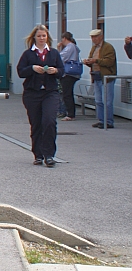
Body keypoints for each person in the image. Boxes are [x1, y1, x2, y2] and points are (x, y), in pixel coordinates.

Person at [16, 24, 64, 167]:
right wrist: (32, 68)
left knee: (49, 121)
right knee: (36, 124)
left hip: (50, 92)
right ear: (34, 38)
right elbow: (20, 72)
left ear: (47, 37)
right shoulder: (28, 54)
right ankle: (38, 154)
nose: (42, 38)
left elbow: (62, 71)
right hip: (32, 93)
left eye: (44, 36)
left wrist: (55, 71)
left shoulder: (54, 53)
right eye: (39, 36)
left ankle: (49, 155)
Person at [82, 29, 116, 129]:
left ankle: (109, 121)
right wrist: (88, 62)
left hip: (106, 77)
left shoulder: (108, 47)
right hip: (96, 76)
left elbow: (109, 62)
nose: (93, 39)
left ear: (101, 37)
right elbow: (93, 62)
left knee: (107, 101)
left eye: (95, 37)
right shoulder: (94, 48)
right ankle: (101, 120)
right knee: (98, 100)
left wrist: (95, 60)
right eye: (92, 37)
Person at [57, 32, 81, 121]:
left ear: (64, 38)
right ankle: (70, 113)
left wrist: (58, 49)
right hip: (71, 73)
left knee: (67, 94)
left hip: (68, 73)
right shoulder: (73, 46)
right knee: (67, 93)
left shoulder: (70, 47)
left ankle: (70, 114)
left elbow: (61, 58)